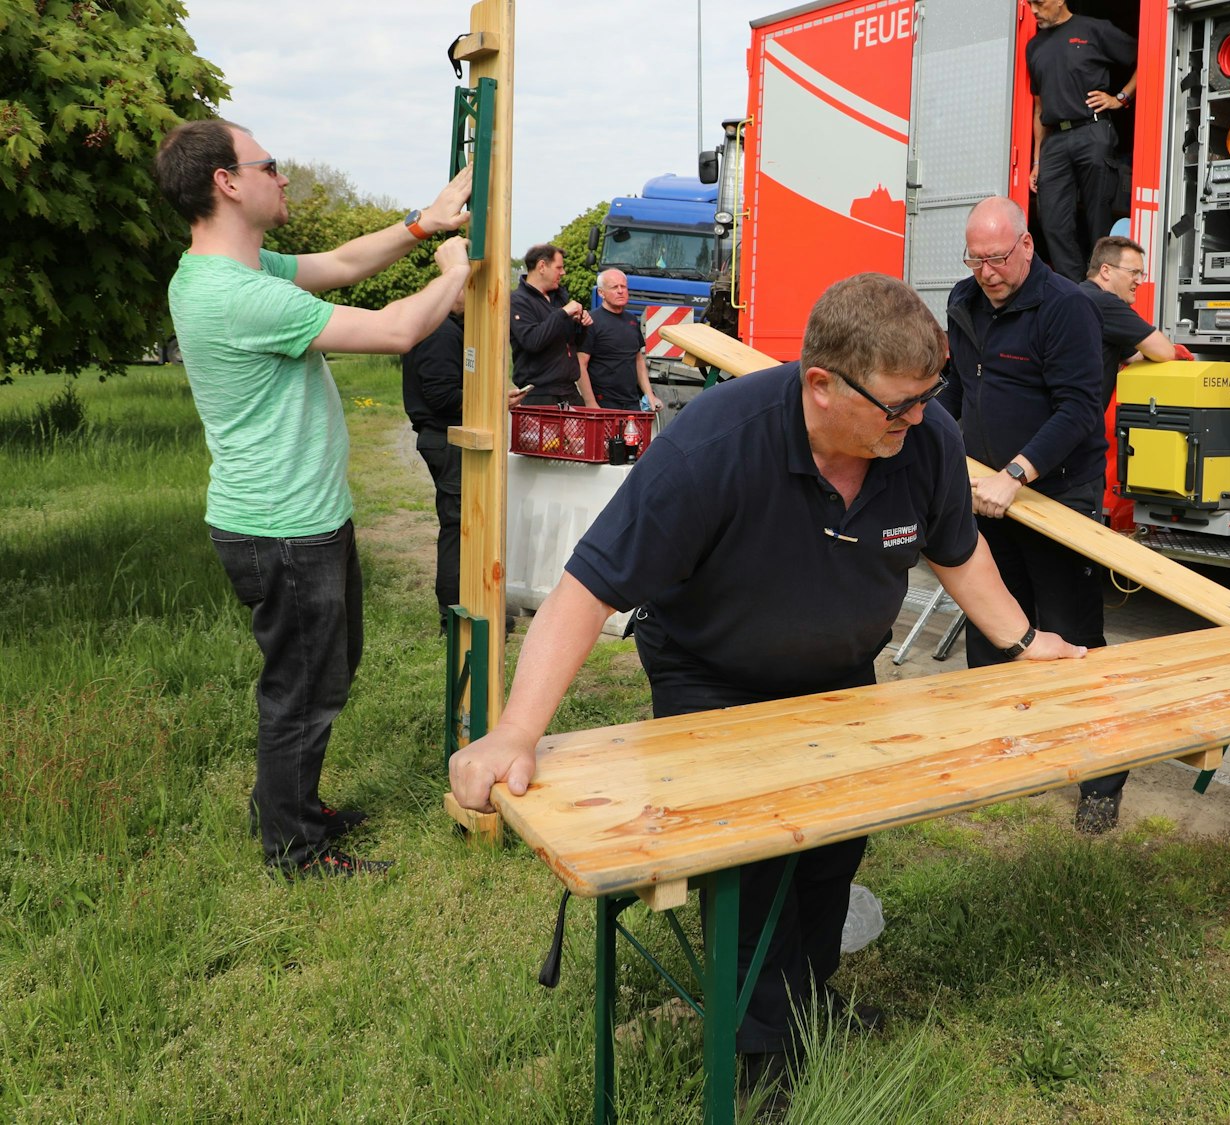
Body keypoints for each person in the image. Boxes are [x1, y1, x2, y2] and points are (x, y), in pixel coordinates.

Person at [448, 273, 1087, 1109]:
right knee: (750, 858)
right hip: (713, 671)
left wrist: (1026, 642)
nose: (919, 417)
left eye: (927, 397)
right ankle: (759, 1056)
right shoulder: (715, 444)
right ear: (821, 384)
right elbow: (586, 589)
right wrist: (515, 730)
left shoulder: (922, 437)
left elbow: (958, 551)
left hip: (838, 677)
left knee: (831, 848)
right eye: (899, 405)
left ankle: (802, 1002)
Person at [153, 118, 472, 878]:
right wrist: (455, 271)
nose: (284, 175)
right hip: (283, 530)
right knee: (302, 689)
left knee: (322, 671)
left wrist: (423, 223)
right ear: (227, 182)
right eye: (269, 165)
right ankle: (294, 848)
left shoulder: (237, 270)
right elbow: (396, 330)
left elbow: (340, 262)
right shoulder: (235, 294)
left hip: (298, 520)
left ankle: (286, 803)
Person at [940, 197, 1120, 832]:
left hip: (1055, 499)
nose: (986, 272)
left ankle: (1100, 782)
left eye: (996, 258)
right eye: (975, 259)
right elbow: (958, 391)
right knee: (994, 628)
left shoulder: (1066, 307)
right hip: (986, 497)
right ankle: (1003, 761)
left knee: (1072, 637)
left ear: (1026, 245)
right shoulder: (964, 301)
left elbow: (1078, 408)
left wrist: (1016, 474)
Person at [1024, 0, 1136, 280]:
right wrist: (1036, 161)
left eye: (1038, 2)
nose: (1033, 10)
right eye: (1029, 3)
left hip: (1092, 131)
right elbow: (1038, 108)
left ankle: (1100, 287)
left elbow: (1147, 56)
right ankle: (1075, 288)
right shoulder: (1034, 47)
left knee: (1098, 217)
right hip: (1054, 140)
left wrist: (1121, 98)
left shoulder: (1094, 30)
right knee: (1053, 222)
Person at [402, 290, 467, 629]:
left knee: (461, 524)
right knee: (457, 526)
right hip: (445, 438)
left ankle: (465, 606)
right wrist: (493, 397)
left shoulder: (445, 327)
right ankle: (452, 617)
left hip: (446, 438)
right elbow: (442, 396)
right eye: (470, 290)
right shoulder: (440, 332)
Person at [1080, 235, 1175, 406]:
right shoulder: (1105, 303)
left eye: (1141, 274)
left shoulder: (1082, 295)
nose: (1139, 281)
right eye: (1134, 272)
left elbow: (1135, 357)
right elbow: (1165, 351)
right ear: (1106, 271)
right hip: (1076, 418)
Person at [511, 243, 594, 407]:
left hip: (569, 391)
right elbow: (532, 341)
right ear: (542, 266)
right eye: (559, 267)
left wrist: (581, 324)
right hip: (539, 395)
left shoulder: (559, 296)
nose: (563, 272)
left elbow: (574, 343)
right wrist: (562, 313)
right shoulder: (518, 301)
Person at [578, 268, 653, 412]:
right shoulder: (591, 321)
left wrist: (649, 395)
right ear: (601, 293)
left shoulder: (632, 320)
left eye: (623, 286)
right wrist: (590, 403)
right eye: (614, 287)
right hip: (604, 404)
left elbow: (638, 360)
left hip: (631, 403)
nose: (620, 291)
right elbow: (580, 364)